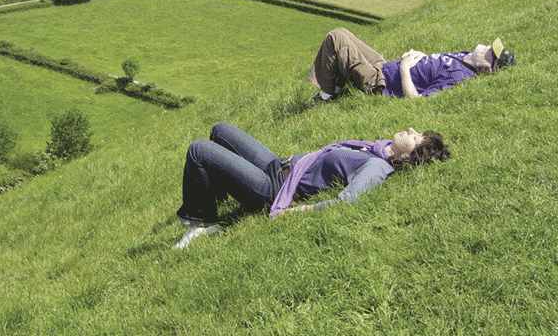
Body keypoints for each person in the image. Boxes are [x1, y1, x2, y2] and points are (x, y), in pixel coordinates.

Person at [174, 122, 449, 248]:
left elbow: (347, 201)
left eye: (415, 137)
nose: (411, 130)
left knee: (198, 150)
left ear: (409, 157)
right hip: (279, 165)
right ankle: (212, 192)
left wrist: (295, 212)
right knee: (220, 130)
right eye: (416, 131)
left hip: (273, 188)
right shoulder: (378, 148)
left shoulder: (377, 167)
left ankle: (203, 222)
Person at [309, 28, 516, 101]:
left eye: (490, 52)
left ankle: (328, 94)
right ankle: (337, 83)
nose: (485, 47)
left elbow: (416, 101)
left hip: (379, 83)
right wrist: (420, 56)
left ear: (488, 67)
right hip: (384, 66)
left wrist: (405, 67)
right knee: (345, 34)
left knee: (335, 36)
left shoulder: (459, 77)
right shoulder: (466, 57)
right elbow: (435, 65)